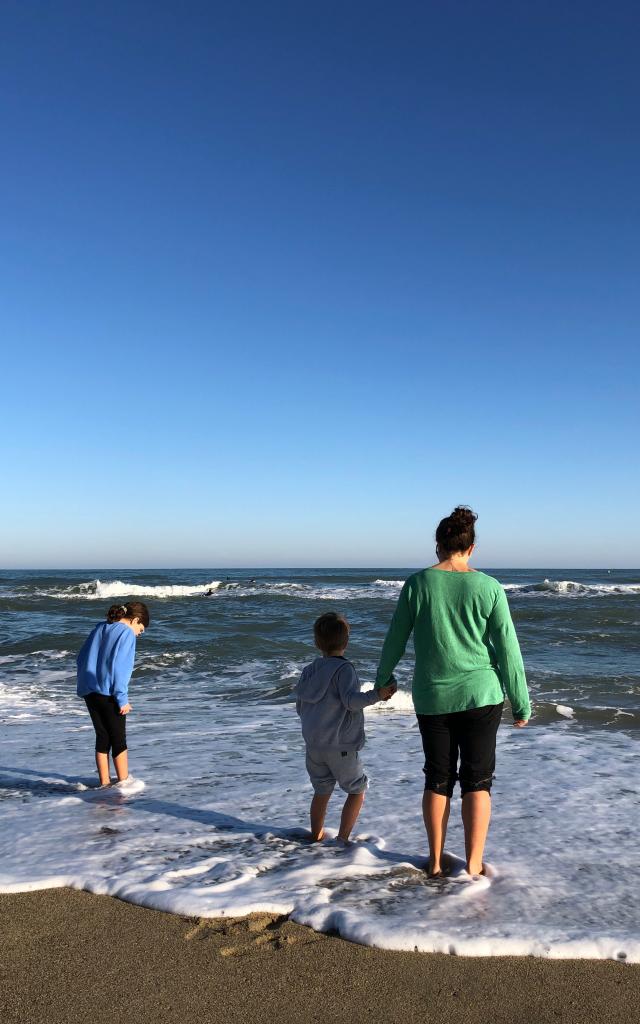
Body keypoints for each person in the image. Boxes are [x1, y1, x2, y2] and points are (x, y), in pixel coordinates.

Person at [375, 507, 531, 877]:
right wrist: (520, 702)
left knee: (437, 778)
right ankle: (474, 865)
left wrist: (384, 678)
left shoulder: (418, 584)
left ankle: (435, 862)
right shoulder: (489, 587)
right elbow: (508, 649)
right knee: (477, 782)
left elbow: (396, 637)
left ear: (437, 547)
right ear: (471, 548)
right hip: (482, 695)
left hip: (432, 697)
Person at [295, 612, 396, 843]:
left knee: (321, 791)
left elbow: (300, 707)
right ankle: (342, 839)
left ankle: (316, 836)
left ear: (316, 642)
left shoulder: (309, 671)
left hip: (313, 746)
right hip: (340, 746)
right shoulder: (344, 669)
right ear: (347, 641)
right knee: (357, 789)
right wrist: (377, 695)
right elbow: (351, 701)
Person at [76, 602, 150, 787]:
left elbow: (80, 658)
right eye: (140, 630)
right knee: (118, 740)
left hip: (89, 690)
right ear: (135, 620)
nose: (139, 634)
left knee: (102, 737)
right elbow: (120, 669)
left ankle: (104, 783)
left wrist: (84, 684)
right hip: (109, 693)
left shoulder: (100, 627)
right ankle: (124, 785)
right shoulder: (126, 634)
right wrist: (122, 699)